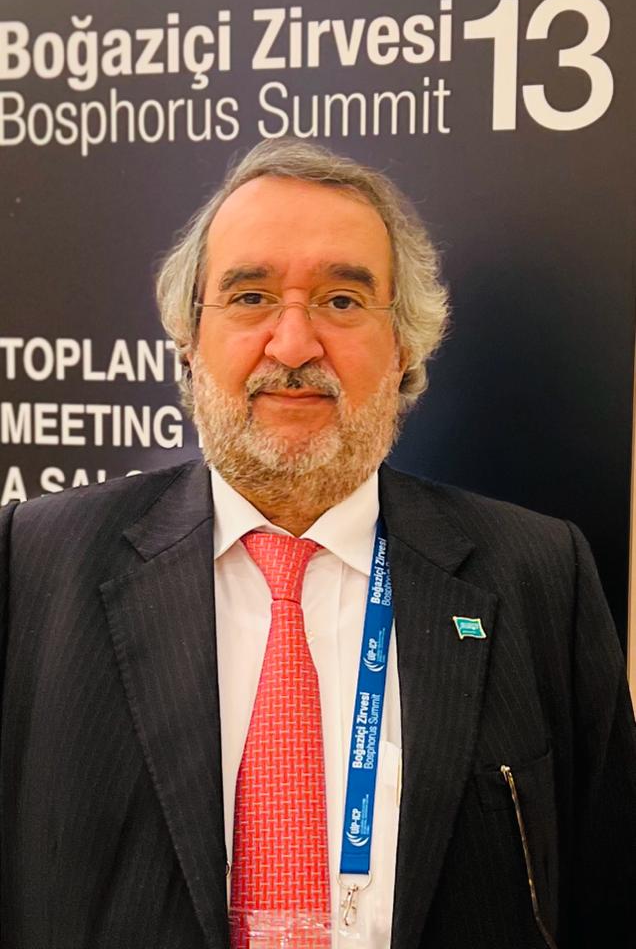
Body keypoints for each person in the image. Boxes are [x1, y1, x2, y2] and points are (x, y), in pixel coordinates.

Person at [0, 139, 634, 949]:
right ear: (189, 341)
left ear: (403, 347)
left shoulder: (540, 576)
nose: (294, 346)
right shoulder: (34, 565)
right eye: (251, 296)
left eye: (341, 300)